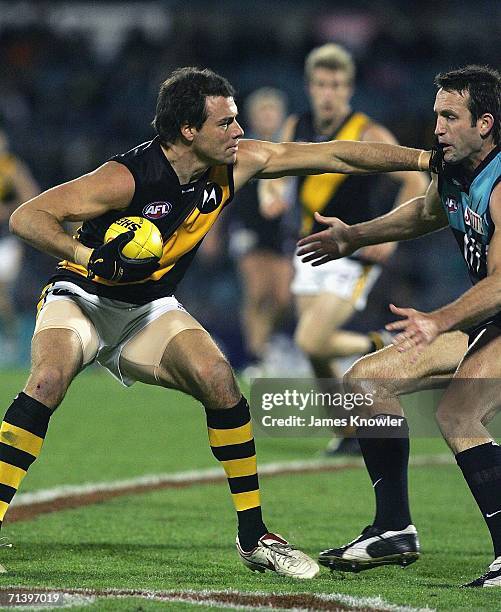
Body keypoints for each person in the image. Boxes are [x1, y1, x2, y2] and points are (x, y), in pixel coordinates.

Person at [5, 66, 432, 578]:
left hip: (149, 307)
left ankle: (254, 536)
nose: (239, 131)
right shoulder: (126, 176)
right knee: (48, 379)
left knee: (219, 380)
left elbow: (336, 153)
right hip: (82, 297)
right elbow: (26, 217)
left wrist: (428, 158)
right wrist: (84, 252)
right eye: (227, 122)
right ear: (189, 130)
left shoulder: (238, 163)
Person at [297, 65, 501, 587]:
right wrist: (353, 237)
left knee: (458, 413)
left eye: (450, 116)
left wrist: (440, 319)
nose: (437, 127)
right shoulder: (455, 172)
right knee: (365, 382)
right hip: (489, 322)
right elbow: (423, 214)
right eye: (436, 114)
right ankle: (392, 529)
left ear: (485, 123)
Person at [263, 44, 428, 455]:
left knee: (311, 341)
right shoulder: (295, 123)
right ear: (309, 86)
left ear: (349, 88)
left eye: (336, 85)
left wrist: (387, 236)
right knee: (317, 357)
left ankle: (377, 346)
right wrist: (271, 193)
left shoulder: (367, 132)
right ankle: (348, 432)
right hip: (308, 250)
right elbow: (271, 169)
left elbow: (415, 182)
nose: (328, 93)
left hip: (352, 254)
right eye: (321, 84)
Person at [214, 87, 294, 372]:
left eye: (273, 110)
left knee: (283, 298)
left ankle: (268, 343)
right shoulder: (238, 149)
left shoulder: (288, 149)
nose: (268, 116)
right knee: (258, 292)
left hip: (281, 230)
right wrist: (214, 231)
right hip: (247, 226)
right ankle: (256, 354)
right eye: (263, 111)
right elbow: (221, 190)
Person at [0, 129, 39, 364]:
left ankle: (11, 338)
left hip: (5, 237)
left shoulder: (11, 168)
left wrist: (6, 210)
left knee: (1, 291)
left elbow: (31, 196)